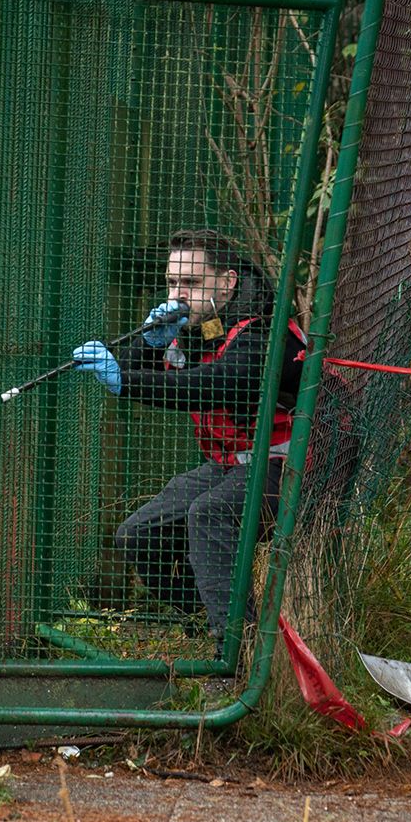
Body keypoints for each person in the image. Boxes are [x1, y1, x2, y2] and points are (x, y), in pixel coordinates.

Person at [70, 229, 306, 639]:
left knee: (209, 513)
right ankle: (211, 624)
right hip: (231, 464)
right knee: (138, 534)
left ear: (227, 282)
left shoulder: (262, 331)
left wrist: (124, 380)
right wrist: (147, 342)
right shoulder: (198, 326)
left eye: (192, 283)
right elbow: (135, 372)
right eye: (172, 282)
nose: (179, 295)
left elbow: (212, 385)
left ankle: (234, 646)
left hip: (291, 464)